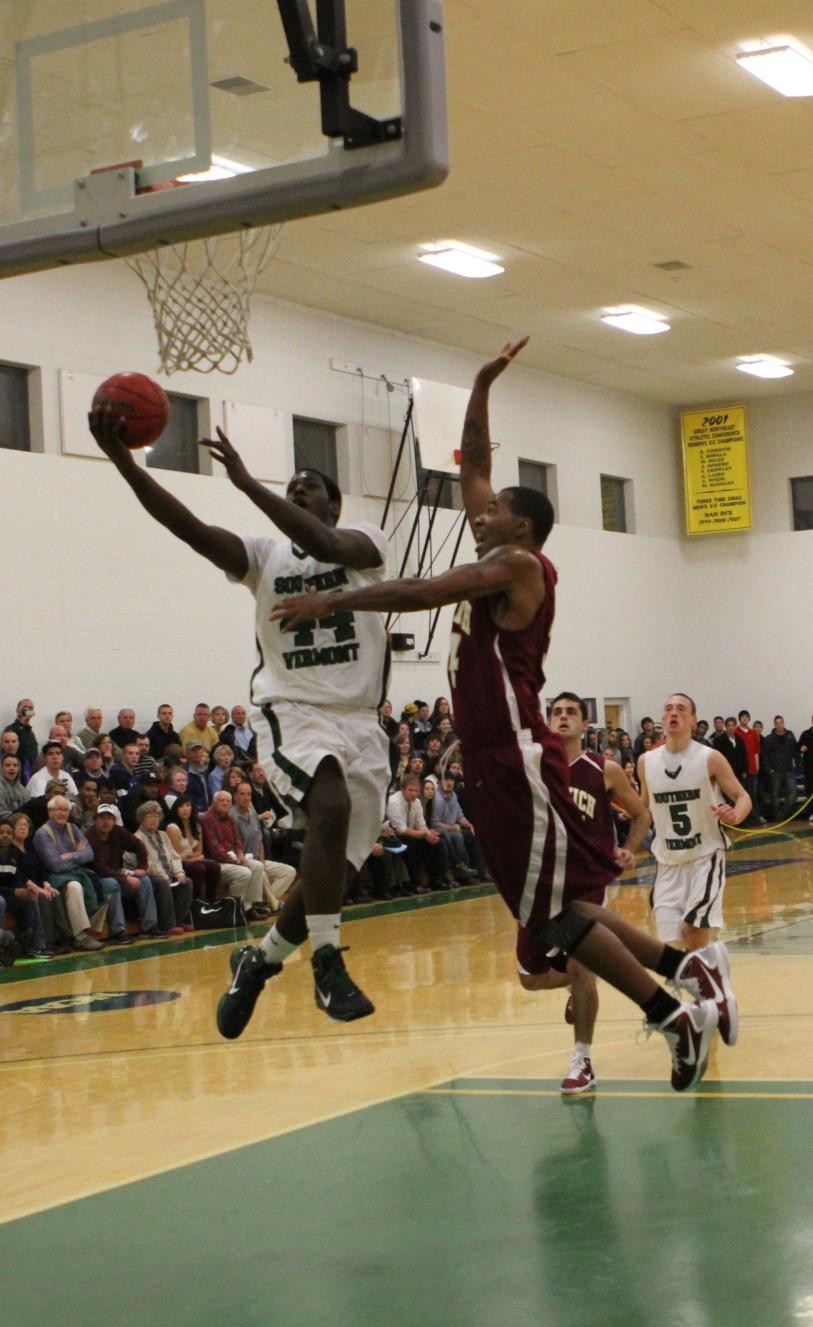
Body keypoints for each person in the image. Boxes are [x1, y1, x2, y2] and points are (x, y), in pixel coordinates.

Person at [272, 338, 739, 1092]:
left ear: (519, 528)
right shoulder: (503, 542)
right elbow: (472, 468)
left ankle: (670, 1009)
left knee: (556, 918)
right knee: (558, 910)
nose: (479, 512)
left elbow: (424, 591)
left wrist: (335, 596)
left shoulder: (519, 566)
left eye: (493, 512)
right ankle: (681, 972)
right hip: (491, 756)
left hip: (513, 755)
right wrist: (481, 385)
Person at [90, 406, 391, 1037]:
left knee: (332, 871)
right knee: (328, 805)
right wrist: (121, 458)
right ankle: (328, 964)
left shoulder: (365, 542)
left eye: (310, 487)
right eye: (291, 488)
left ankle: (257, 962)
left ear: (335, 505)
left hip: (363, 723)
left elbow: (327, 544)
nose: (298, 491)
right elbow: (189, 528)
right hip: (295, 709)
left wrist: (250, 486)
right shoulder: (263, 555)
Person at [526, 692, 650, 1092]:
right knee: (530, 978)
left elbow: (641, 812)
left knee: (581, 964)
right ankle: (586, 976)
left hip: (587, 886)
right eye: (556, 713)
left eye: (571, 713)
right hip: (542, 885)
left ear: (584, 723)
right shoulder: (534, 768)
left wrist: (628, 851)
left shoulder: (604, 769)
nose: (563, 718)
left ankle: (582, 1059)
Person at [638, 694, 751, 953]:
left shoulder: (710, 758)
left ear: (693, 720)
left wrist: (736, 814)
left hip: (705, 856)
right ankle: (712, 984)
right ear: (662, 720)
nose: (673, 713)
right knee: (674, 947)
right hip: (667, 862)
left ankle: (709, 990)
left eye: (681, 709)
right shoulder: (646, 762)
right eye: (668, 709)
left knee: (694, 931)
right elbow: (643, 808)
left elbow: (743, 796)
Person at [86, 805, 160, 939]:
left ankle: (149, 926)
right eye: (102, 818)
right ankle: (118, 930)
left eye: (109, 818)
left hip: (116, 875)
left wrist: (142, 867)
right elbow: (100, 868)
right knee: (112, 883)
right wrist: (125, 878)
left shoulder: (118, 832)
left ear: (114, 821)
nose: (106, 822)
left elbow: (139, 846)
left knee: (144, 880)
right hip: (97, 880)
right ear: (95, 820)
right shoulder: (90, 837)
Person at [200, 791, 270, 920]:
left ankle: (248, 907)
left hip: (233, 859)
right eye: (222, 800)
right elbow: (214, 848)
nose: (226, 803)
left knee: (257, 866)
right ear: (214, 803)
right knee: (244, 873)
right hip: (216, 862)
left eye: (228, 801)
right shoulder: (207, 819)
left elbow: (238, 842)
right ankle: (230, 909)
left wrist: (240, 855)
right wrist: (235, 861)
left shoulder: (231, 819)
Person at [230, 781, 297, 910]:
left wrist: (261, 860)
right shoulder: (231, 817)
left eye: (249, 794)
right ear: (235, 796)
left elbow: (259, 841)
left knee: (289, 872)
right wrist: (257, 863)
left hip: (258, 860)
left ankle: (265, 903)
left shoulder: (254, 814)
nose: (246, 797)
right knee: (259, 869)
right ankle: (273, 904)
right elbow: (234, 846)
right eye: (242, 794)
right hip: (243, 862)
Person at [134, 802, 193, 933]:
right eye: (149, 816)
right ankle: (168, 925)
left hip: (167, 874)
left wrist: (179, 873)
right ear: (142, 818)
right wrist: (165, 876)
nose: (153, 819)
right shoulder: (138, 838)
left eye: (156, 816)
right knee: (162, 883)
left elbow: (174, 856)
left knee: (187, 882)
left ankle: (179, 921)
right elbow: (146, 863)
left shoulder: (163, 835)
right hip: (151, 876)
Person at [164, 795, 221, 901]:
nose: (185, 809)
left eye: (188, 805)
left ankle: (210, 901)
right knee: (199, 869)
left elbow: (199, 851)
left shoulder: (197, 826)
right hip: (177, 863)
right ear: (176, 809)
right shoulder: (172, 828)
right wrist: (198, 857)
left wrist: (196, 856)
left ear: (192, 808)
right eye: (181, 806)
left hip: (192, 860)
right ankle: (195, 903)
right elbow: (180, 857)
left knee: (215, 866)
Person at [761, 716, 799, 821]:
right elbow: (764, 756)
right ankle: (778, 818)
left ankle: (781, 815)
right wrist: (769, 769)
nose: (779, 725)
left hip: (789, 770)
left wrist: (798, 764)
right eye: (777, 723)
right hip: (775, 772)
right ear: (774, 725)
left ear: (783, 723)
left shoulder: (790, 735)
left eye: (780, 722)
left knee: (793, 793)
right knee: (775, 795)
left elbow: (795, 750)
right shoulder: (769, 739)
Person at [4, 699, 38, 781]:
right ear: (17, 710)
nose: (26, 710)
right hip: (15, 772)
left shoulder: (30, 732)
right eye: (24, 707)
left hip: (30, 773)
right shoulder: (10, 729)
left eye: (30, 708)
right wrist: (22, 721)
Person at [798, 714, 813, 822]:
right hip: (809, 768)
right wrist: (801, 748)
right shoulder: (806, 734)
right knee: (810, 790)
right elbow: (798, 747)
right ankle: (811, 813)